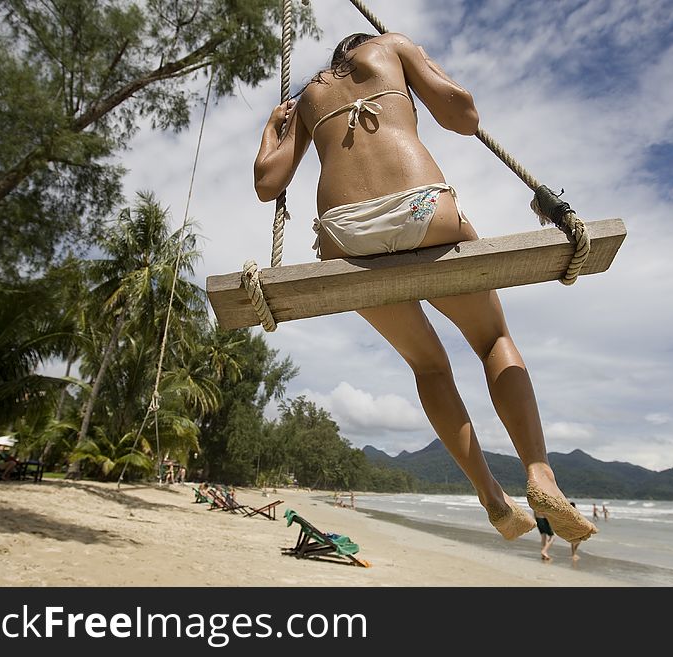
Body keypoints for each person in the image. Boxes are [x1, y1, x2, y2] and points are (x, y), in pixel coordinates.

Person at [253, 32, 597, 545]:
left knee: (429, 365)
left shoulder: (307, 98)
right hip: (422, 210)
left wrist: (271, 128)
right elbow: (464, 117)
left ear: (332, 61)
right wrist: (420, 70)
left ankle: (491, 498)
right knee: (492, 341)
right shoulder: (390, 46)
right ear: (365, 47)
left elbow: (266, 184)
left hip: (343, 234)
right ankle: (540, 476)